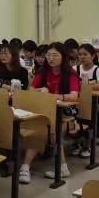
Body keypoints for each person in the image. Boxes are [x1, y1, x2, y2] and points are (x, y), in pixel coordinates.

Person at [18, 43, 80, 183]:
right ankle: (61, 167)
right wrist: (42, 91)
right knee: (42, 127)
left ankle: (26, 166)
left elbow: (74, 96)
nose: (51, 58)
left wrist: (52, 96)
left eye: (55, 55)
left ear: (63, 57)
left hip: (65, 110)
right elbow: (31, 90)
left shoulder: (70, 73)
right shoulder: (43, 71)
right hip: (45, 108)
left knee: (45, 128)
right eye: (49, 55)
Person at [75, 43, 99, 151]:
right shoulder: (75, 68)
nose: (82, 57)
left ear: (92, 56)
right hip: (80, 101)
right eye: (80, 54)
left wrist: (82, 85)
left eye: (85, 54)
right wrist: (91, 84)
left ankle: (88, 143)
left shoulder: (98, 70)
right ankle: (79, 140)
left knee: (92, 112)